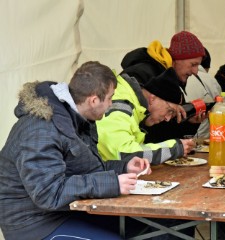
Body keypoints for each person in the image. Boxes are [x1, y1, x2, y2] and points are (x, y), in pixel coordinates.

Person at [0, 61, 151, 240]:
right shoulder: (41, 130)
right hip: (33, 224)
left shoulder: (71, 118)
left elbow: (87, 169)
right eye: (110, 98)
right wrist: (112, 183)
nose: (111, 104)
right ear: (94, 100)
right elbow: (48, 193)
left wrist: (124, 167)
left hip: (65, 213)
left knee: (145, 225)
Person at [121, 31, 208, 143]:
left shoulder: (172, 78)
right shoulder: (140, 74)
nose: (196, 72)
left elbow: (165, 129)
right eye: (193, 64)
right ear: (176, 59)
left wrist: (189, 122)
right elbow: (140, 127)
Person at [97, 67, 195, 163]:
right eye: (169, 110)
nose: (167, 118)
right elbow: (124, 154)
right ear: (152, 98)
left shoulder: (136, 107)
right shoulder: (120, 107)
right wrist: (174, 149)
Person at [185, 48, 222, 138]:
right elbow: (219, 106)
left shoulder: (180, 77)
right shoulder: (209, 79)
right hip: (204, 137)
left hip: (181, 138)